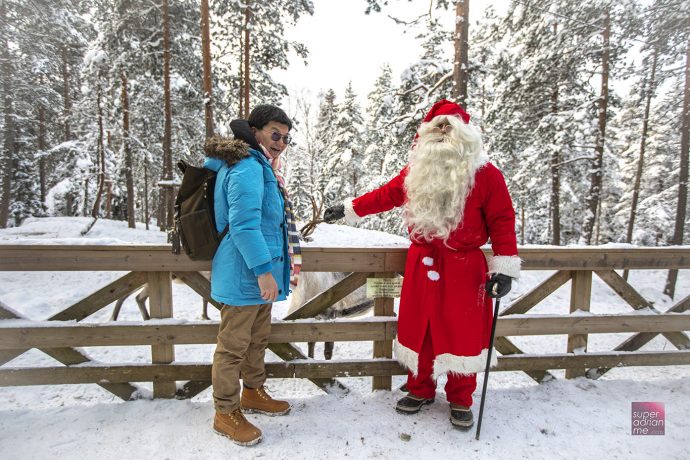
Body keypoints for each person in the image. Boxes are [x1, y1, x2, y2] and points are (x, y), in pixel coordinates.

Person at [323, 99, 520, 430]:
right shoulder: (416, 173)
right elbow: (386, 195)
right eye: (437, 128)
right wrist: (349, 209)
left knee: (463, 331)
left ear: (466, 135)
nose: (443, 134)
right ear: (426, 136)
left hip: (465, 267)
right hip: (420, 263)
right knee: (419, 328)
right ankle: (420, 389)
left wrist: (503, 267)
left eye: (450, 128)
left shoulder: (486, 175)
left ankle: (460, 397)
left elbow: (502, 220)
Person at [204, 104, 300, 446]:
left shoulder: (260, 165)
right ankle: (225, 412)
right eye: (275, 134)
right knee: (232, 349)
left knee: (257, 339)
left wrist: (269, 271)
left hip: (259, 273)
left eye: (286, 138)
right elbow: (243, 226)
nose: (280, 143)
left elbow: (267, 225)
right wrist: (263, 272)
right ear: (255, 130)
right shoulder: (246, 166)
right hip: (243, 272)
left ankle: (254, 393)